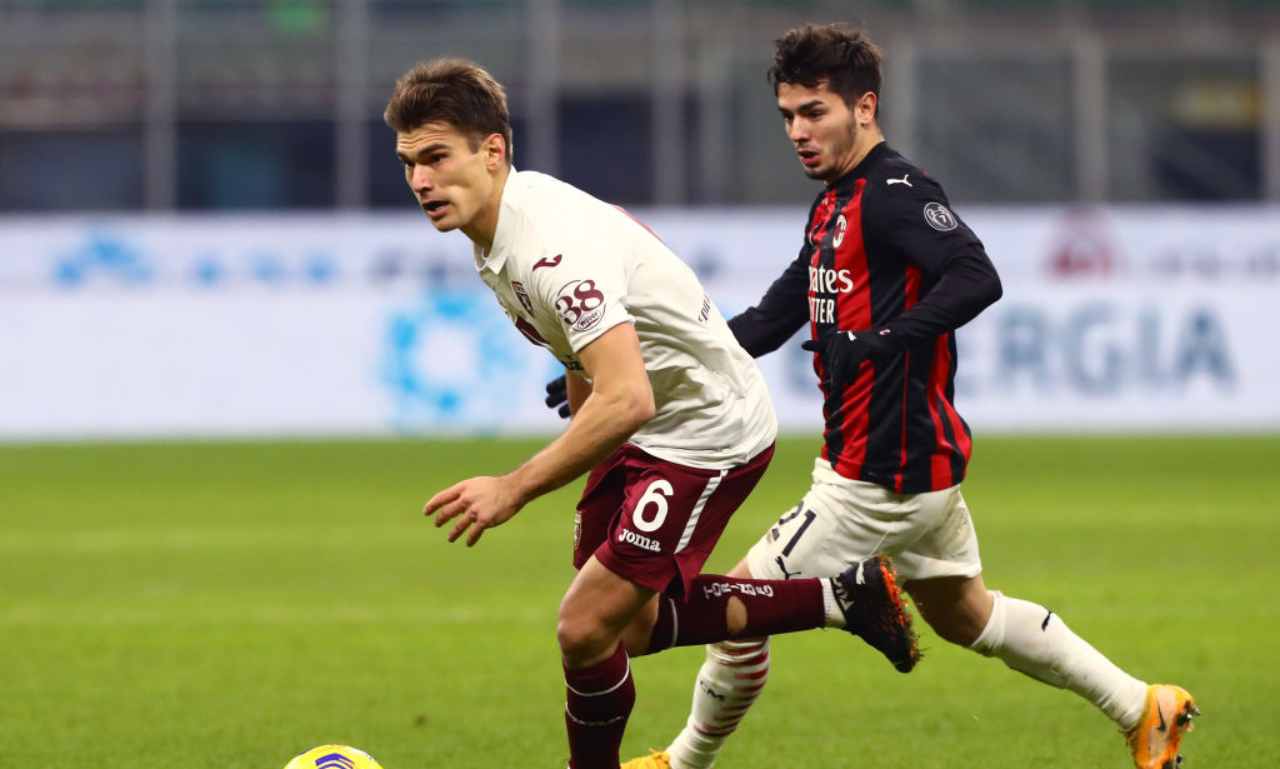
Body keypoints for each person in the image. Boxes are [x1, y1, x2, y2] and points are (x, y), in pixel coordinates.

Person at [546, 23, 1199, 769]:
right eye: (788, 114)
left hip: (874, 477)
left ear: (864, 107)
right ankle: (1144, 705)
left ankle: (683, 761)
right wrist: (629, 370)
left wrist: (883, 340)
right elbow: (762, 321)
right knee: (968, 615)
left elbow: (977, 275)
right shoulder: (833, 204)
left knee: (738, 606)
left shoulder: (894, 192)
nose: (798, 130)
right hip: (918, 467)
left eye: (815, 111)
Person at [386, 57, 920, 769]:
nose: (421, 181)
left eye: (436, 158)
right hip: (647, 423)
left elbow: (627, 395)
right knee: (624, 627)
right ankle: (841, 598)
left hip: (707, 424)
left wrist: (514, 486)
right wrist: (593, 457)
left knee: (582, 626)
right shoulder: (500, 227)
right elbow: (586, 364)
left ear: (492, 151)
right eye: (408, 163)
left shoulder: (549, 249)